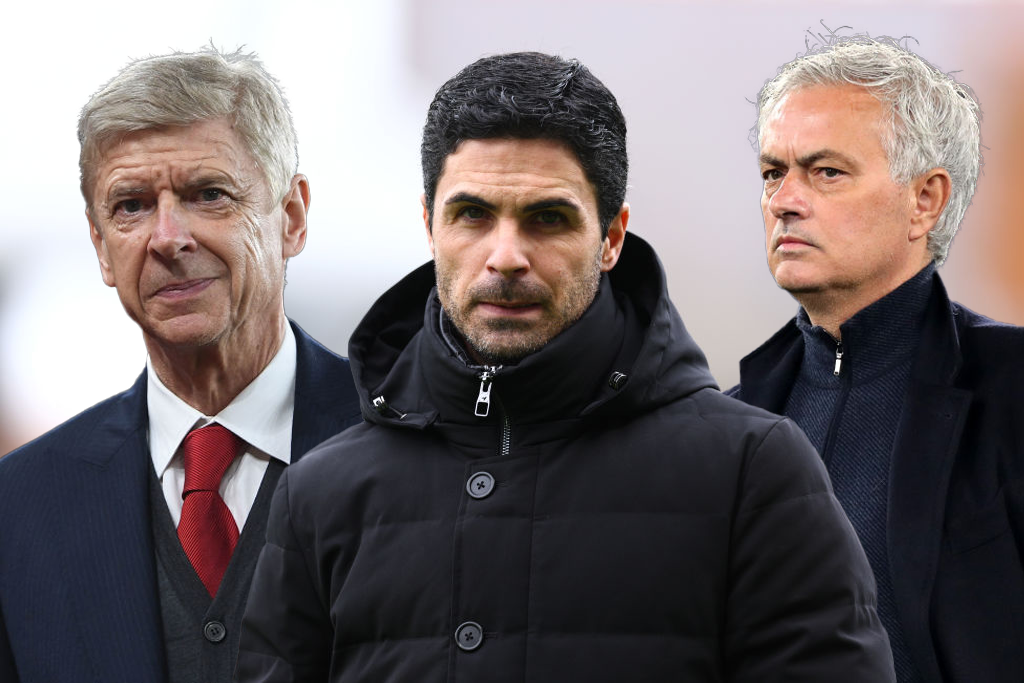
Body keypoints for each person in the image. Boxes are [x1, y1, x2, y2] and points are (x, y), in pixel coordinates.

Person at [236, 51, 895, 682]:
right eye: (472, 215)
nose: (505, 256)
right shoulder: (321, 495)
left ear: (610, 237)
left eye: (547, 219)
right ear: (429, 226)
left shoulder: (753, 474)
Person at [0, 47, 362, 683]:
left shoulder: (426, 456)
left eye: (208, 194)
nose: (167, 238)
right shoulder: (19, 507)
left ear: (292, 219)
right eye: (131, 206)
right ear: (102, 249)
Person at [727, 33, 1024, 682]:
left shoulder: (1012, 390)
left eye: (826, 171)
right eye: (773, 173)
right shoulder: (726, 422)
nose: (784, 200)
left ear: (926, 200)